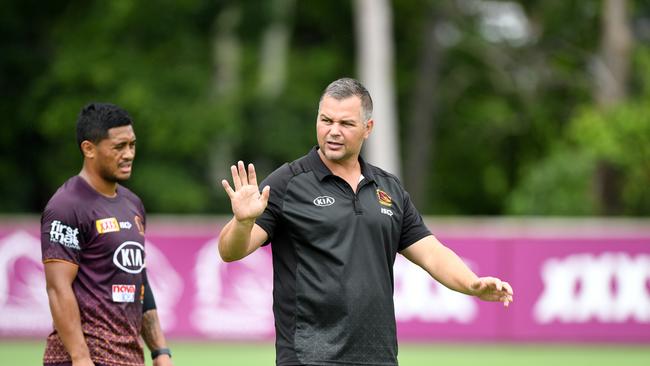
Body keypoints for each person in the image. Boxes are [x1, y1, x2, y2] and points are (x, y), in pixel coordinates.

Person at [219, 78, 514, 366]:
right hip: (309, 355)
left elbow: (432, 253)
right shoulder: (288, 182)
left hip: (378, 355)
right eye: (326, 120)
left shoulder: (389, 188)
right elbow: (230, 251)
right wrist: (242, 221)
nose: (333, 131)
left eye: (346, 124)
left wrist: (471, 284)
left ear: (367, 128)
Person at [41, 103, 173, 366]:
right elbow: (58, 288)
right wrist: (80, 358)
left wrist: (160, 351)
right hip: (85, 358)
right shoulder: (66, 206)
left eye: (132, 145)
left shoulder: (132, 204)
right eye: (118, 147)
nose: (128, 154)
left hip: (128, 358)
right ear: (88, 148)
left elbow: (139, 281)